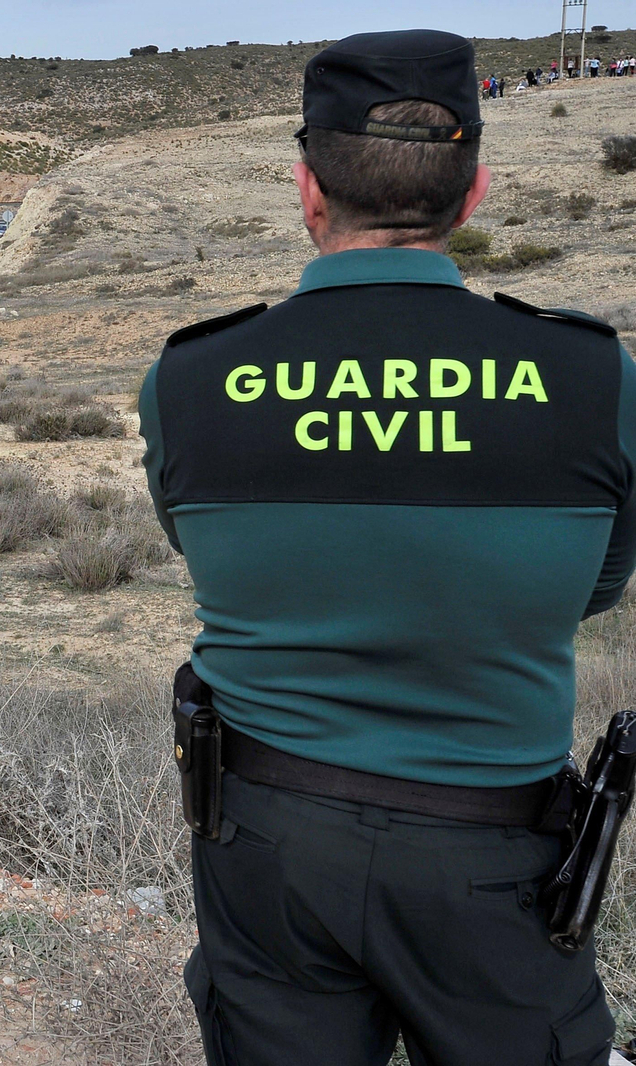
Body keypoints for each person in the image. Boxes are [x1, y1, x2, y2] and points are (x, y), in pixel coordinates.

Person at [140, 29, 630, 1065]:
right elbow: (591, 588)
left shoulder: (189, 379)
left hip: (265, 838)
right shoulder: (594, 381)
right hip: (496, 854)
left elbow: (206, 556)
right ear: (474, 191)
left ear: (307, 189)